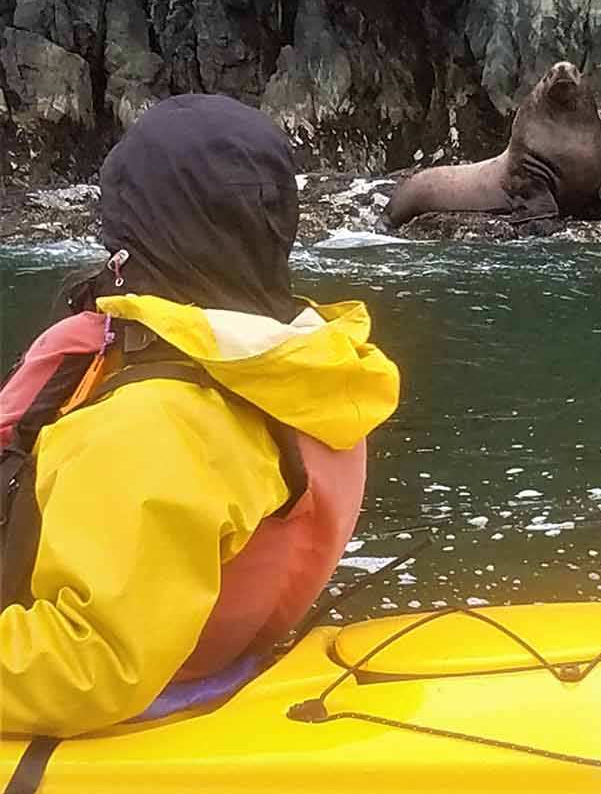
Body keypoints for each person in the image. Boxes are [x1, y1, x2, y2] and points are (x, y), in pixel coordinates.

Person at [0, 94, 400, 737]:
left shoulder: (150, 425)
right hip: (218, 662)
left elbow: (87, 662)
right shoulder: (316, 368)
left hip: (122, 699)